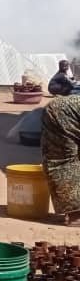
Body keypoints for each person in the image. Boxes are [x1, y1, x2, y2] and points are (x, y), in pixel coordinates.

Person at [42, 95, 80, 224]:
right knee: (65, 161)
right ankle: (76, 216)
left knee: (64, 159)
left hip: (59, 109)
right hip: (63, 114)